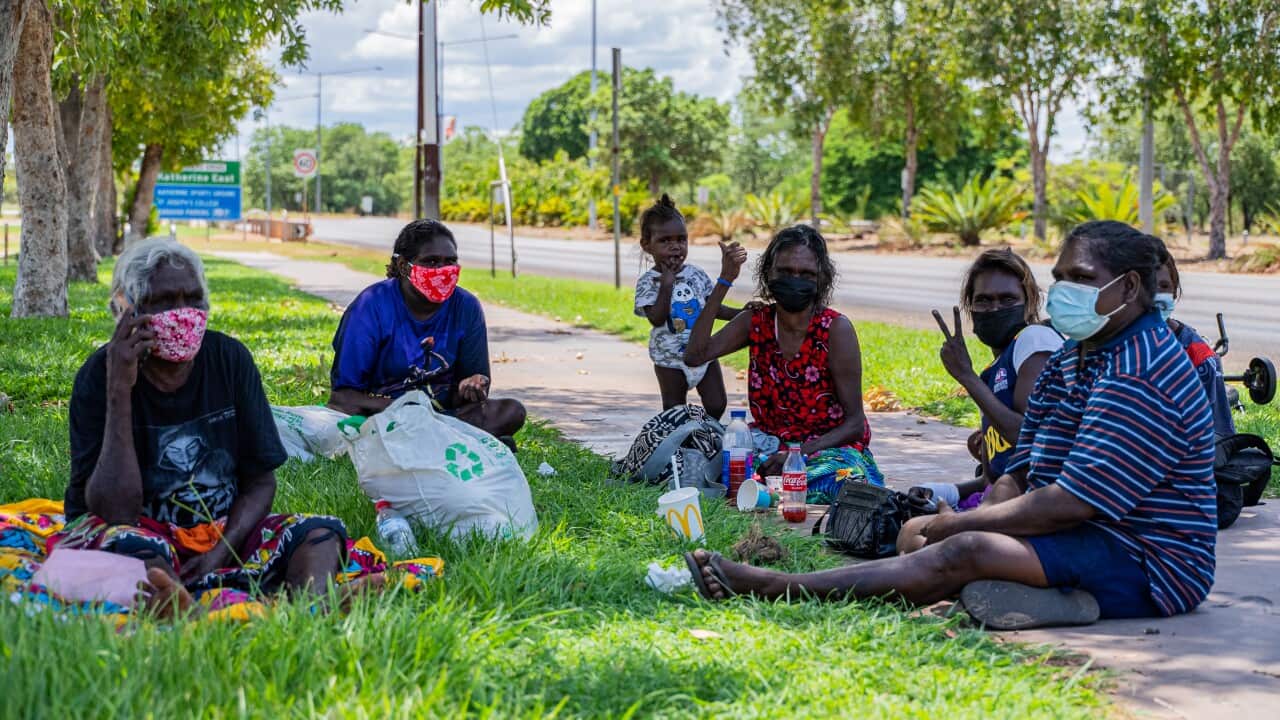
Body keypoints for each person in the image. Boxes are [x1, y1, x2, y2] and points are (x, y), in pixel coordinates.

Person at [686, 221, 1217, 630]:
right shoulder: (1076, 355)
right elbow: (1024, 461)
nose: (1063, 292)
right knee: (920, 537)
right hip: (1083, 531)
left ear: (1127, 288)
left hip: (1145, 558)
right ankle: (1057, 598)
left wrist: (964, 525)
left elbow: (1070, 501)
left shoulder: (1140, 368)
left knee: (960, 547)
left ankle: (781, 587)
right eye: (1060, 278)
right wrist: (983, 508)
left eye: (1080, 279)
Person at [53, 239, 349, 617]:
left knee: (318, 532)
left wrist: (218, 553)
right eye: (163, 301)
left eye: (193, 299)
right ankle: (182, 608)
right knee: (133, 551)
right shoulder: (99, 376)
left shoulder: (230, 359)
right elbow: (116, 510)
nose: (182, 313)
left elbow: (261, 482)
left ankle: (316, 605)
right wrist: (119, 389)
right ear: (126, 309)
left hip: (219, 534)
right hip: (134, 531)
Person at [684, 224, 882, 502]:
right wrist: (725, 281)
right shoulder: (757, 321)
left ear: (821, 279)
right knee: (700, 463)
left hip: (825, 448)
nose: (795, 280)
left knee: (836, 482)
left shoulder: (835, 329)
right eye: (785, 272)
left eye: (806, 274)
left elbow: (855, 424)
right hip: (769, 444)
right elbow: (695, 355)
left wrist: (796, 453)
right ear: (769, 274)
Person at [327, 219, 526, 447]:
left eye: (450, 261)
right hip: (383, 416)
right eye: (431, 262)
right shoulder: (371, 306)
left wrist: (469, 388)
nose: (442, 270)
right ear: (404, 266)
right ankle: (459, 440)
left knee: (511, 411)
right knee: (349, 418)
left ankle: (438, 439)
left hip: (442, 415)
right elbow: (342, 397)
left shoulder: (466, 307)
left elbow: (469, 396)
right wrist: (412, 412)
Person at [920, 249, 1063, 510]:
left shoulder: (1034, 341)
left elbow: (1031, 438)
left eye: (1007, 299)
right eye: (983, 301)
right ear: (970, 307)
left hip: (1037, 505)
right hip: (1003, 499)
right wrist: (937, 493)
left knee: (917, 537)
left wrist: (966, 376)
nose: (995, 308)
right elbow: (991, 479)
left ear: (1030, 302)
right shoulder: (998, 367)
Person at [634, 194, 743, 418]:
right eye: (665, 241)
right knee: (675, 410)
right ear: (647, 245)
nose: (675, 247)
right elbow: (656, 318)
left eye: (681, 240)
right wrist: (666, 285)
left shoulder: (696, 274)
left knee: (716, 404)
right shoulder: (648, 282)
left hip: (704, 352)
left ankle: (706, 435)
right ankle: (682, 444)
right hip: (669, 359)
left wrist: (743, 313)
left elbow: (714, 309)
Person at [1154, 245, 1236, 437]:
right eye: (1147, 285)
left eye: (1164, 287)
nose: (1155, 295)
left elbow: (1219, 437)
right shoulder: (1103, 347)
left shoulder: (1199, 357)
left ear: (1175, 292)